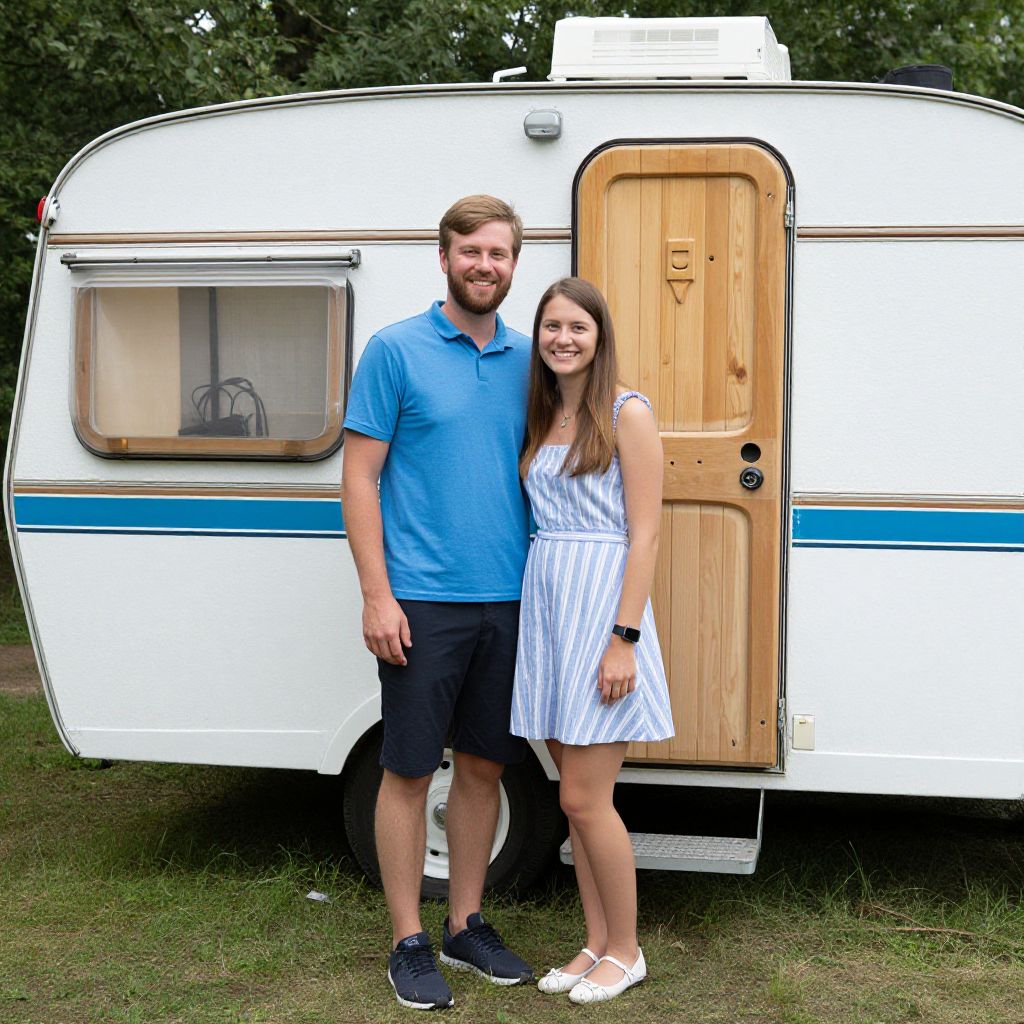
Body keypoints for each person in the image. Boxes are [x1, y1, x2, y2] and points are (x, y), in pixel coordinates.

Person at [341, 195, 535, 1011]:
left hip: (511, 598)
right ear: (445, 257)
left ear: (514, 264)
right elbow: (359, 477)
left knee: (486, 767)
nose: (484, 265)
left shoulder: (532, 360)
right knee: (411, 768)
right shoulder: (396, 350)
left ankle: (464, 924)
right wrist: (377, 596)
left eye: (499, 253)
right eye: (471, 251)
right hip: (421, 601)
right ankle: (407, 941)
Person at [510, 277, 674, 1005]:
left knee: (586, 796)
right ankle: (595, 942)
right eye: (552, 326)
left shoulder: (626, 412)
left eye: (578, 326)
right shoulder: (541, 411)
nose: (563, 339)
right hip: (549, 608)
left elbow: (646, 533)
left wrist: (624, 639)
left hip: (603, 610)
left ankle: (627, 951)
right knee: (572, 798)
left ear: (599, 336)